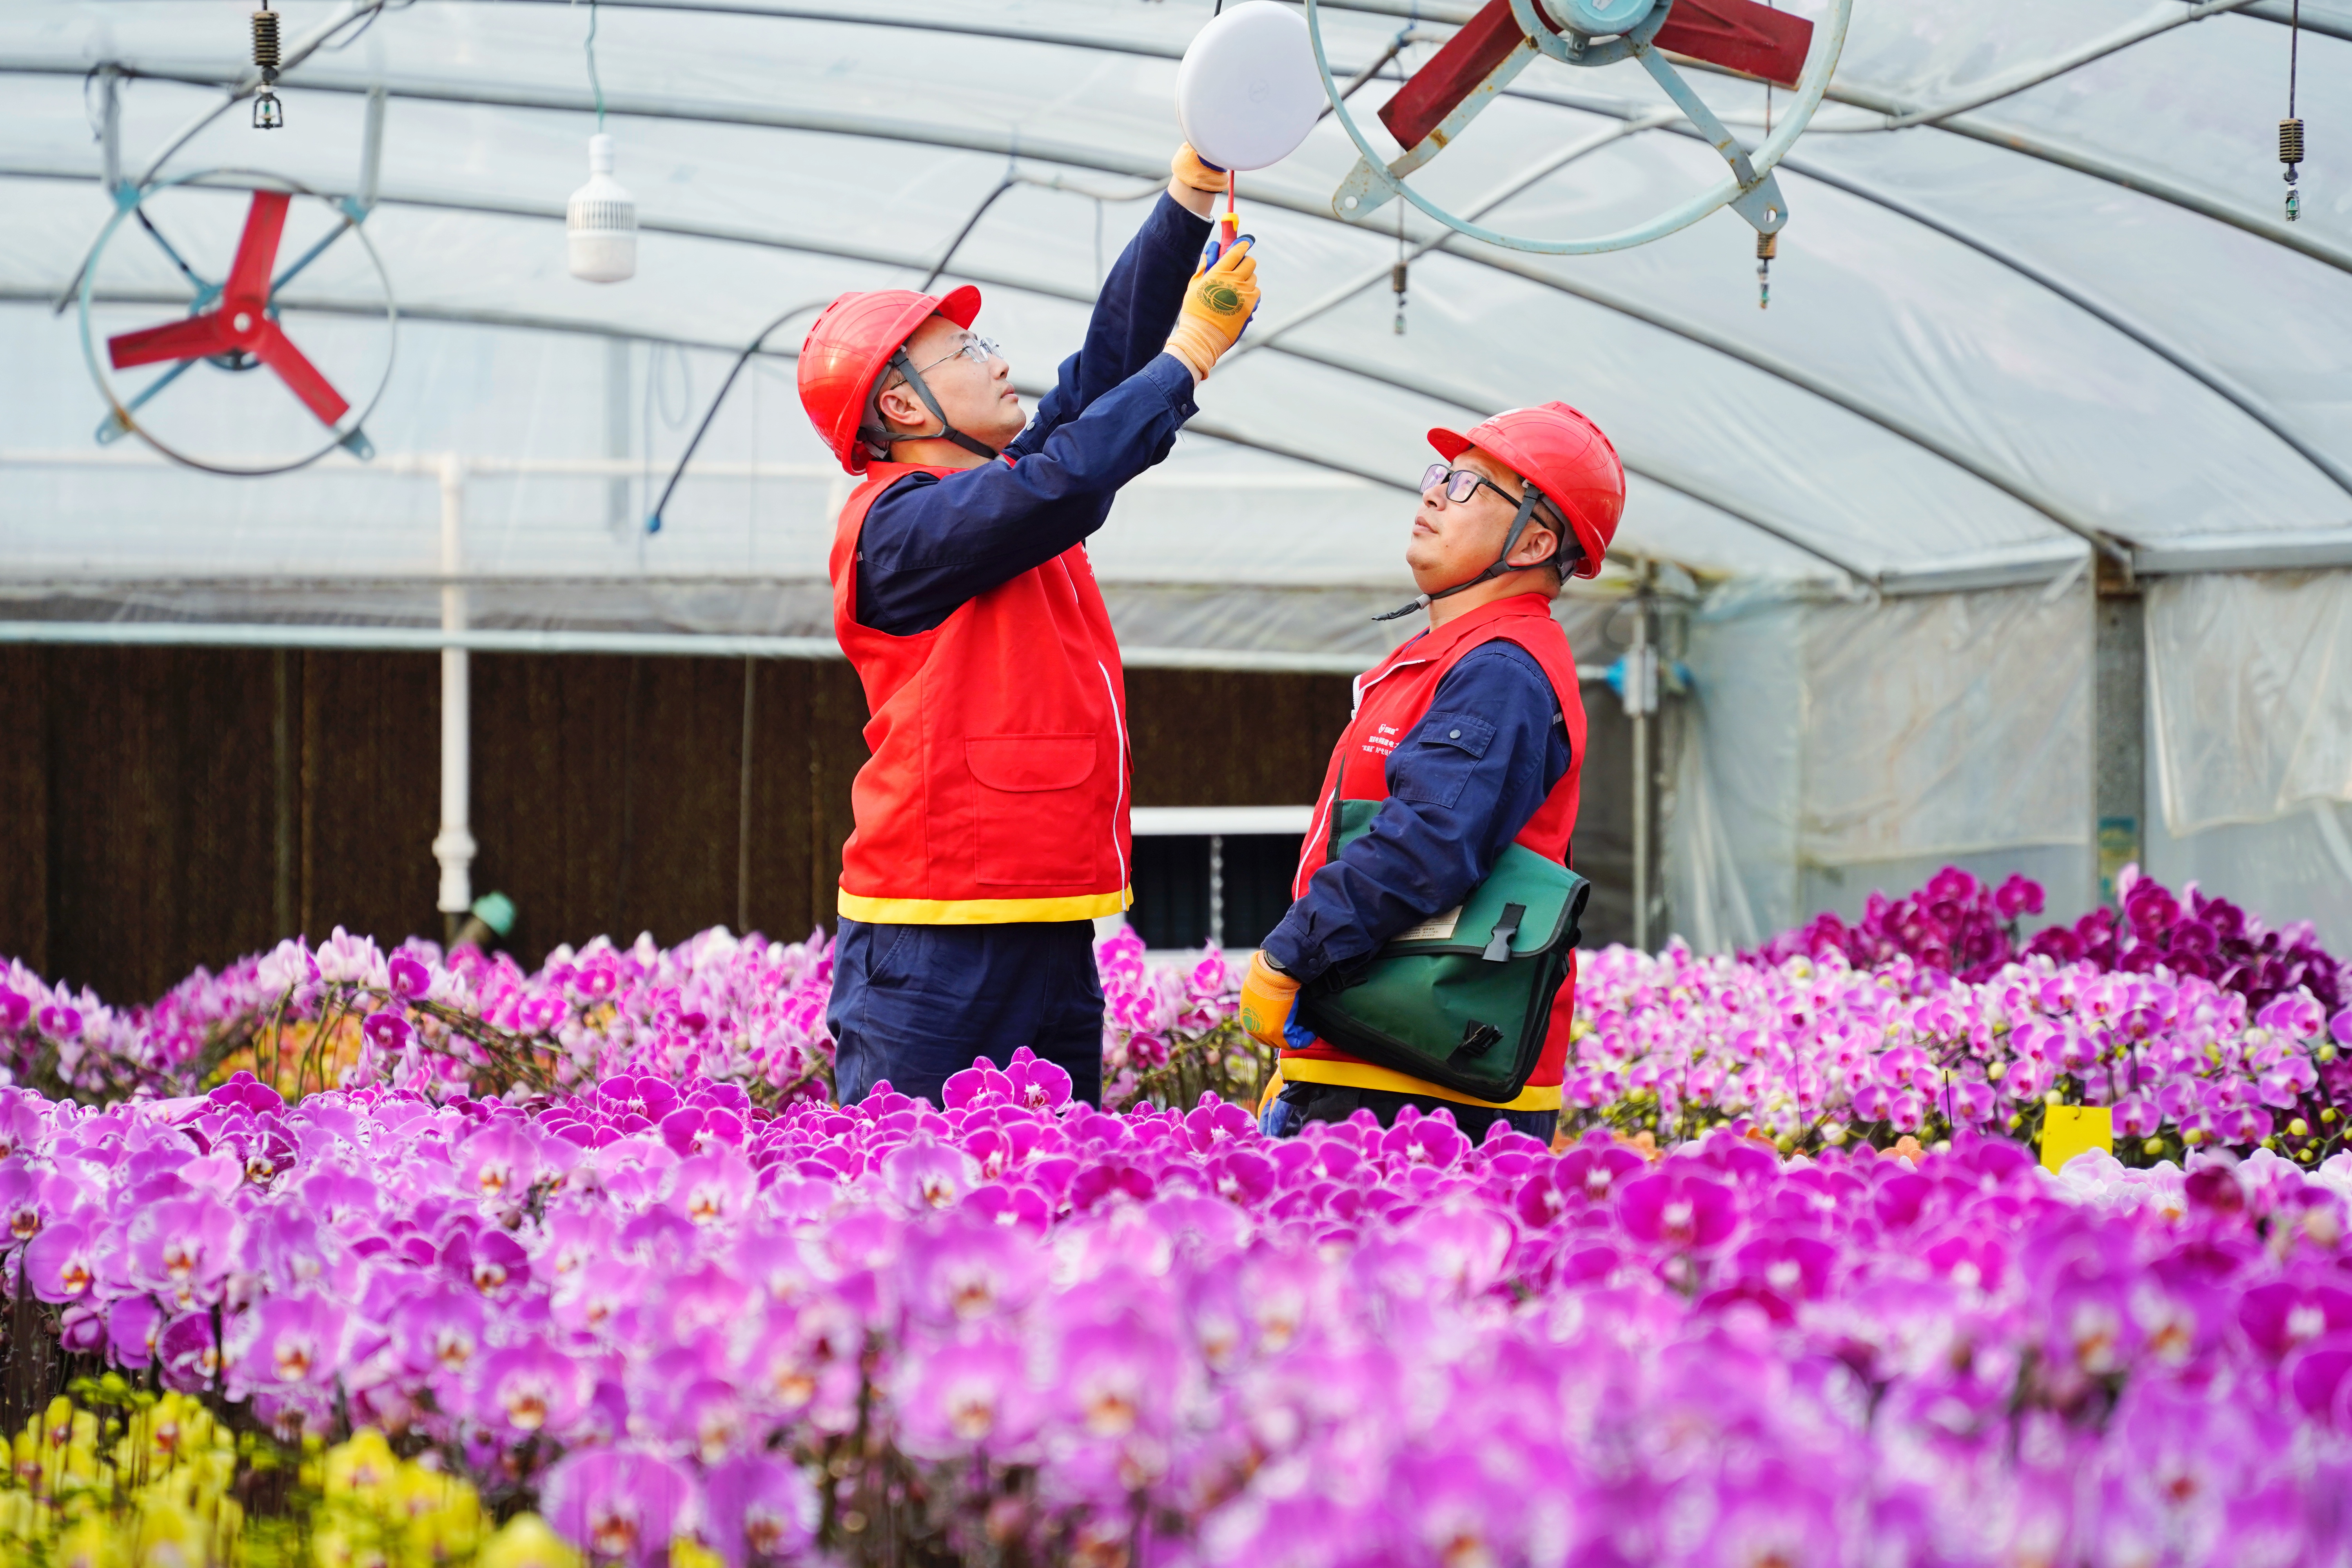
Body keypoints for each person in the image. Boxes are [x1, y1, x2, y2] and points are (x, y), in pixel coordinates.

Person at [797, 145, 1262, 1110]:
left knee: (1053, 1184)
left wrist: (1185, 202)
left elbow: (1101, 378)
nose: (1001, 362)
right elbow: (1068, 479)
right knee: (916, 1186)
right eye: (969, 352)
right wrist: (1190, 357)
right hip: (933, 937)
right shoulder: (893, 526)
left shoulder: (996, 491)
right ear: (901, 403)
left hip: (1049, 920)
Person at [1235, 403, 1625, 1143]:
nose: (1436, 495)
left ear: (1534, 542)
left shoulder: (1502, 671)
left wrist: (1292, 953)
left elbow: (1430, 842)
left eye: (1470, 485)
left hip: (1425, 1077)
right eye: (1442, 476)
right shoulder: (1459, 653)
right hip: (1383, 1054)